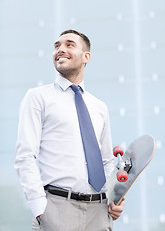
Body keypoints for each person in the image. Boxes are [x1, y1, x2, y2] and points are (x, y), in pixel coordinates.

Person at [15, 29, 124, 231]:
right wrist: (41, 210)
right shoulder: (38, 97)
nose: (60, 50)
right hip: (56, 210)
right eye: (57, 46)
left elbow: (107, 161)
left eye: (69, 45)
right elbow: (25, 157)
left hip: (99, 213)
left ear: (86, 57)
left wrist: (114, 200)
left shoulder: (99, 107)